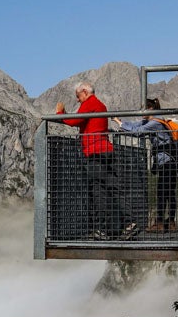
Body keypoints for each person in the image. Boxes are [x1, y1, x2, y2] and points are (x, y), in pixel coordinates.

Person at [56, 81, 138, 239]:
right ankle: (130, 223)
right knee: (114, 189)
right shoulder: (101, 105)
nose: (78, 100)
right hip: (107, 151)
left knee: (98, 191)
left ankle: (102, 230)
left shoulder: (90, 103)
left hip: (95, 153)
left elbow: (75, 121)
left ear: (85, 92)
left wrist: (60, 113)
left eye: (78, 96)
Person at [119, 98, 178, 232]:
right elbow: (136, 126)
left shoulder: (155, 122)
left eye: (143, 108)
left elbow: (138, 131)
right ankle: (170, 222)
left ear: (150, 109)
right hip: (171, 161)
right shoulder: (152, 121)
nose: (141, 112)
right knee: (169, 192)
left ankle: (160, 223)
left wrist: (121, 124)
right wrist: (121, 124)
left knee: (162, 192)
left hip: (168, 161)